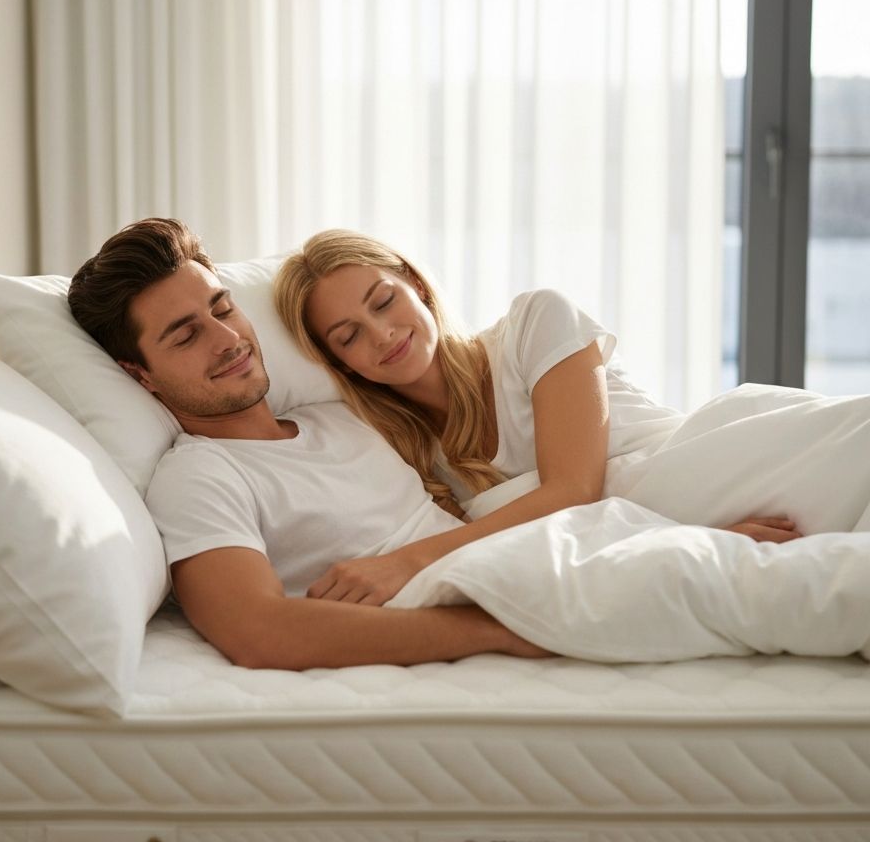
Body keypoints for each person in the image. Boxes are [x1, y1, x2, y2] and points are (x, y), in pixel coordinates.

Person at [68, 217, 554, 670]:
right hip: (486, 604)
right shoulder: (198, 476)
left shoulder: (343, 416)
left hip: (524, 564)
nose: (226, 339)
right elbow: (255, 630)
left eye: (223, 309)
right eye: (186, 336)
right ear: (140, 375)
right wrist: (495, 631)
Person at [272, 230, 851, 604]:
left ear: (417, 285)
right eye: (349, 335)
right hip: (702, 528)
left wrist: (403, 563)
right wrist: (687, 548)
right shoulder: (414, 464)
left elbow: (575, 490)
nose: (383, 334)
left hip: (741, 456)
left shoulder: (534, 324)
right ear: (338, 364)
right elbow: (557, 547)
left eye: (384, 301)